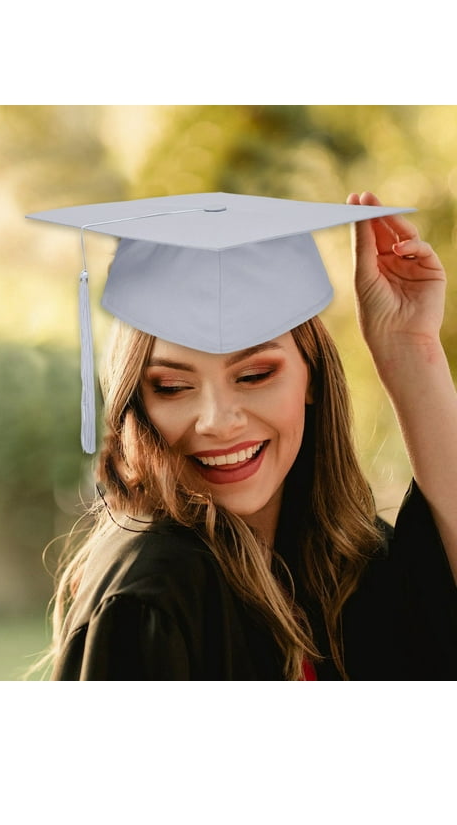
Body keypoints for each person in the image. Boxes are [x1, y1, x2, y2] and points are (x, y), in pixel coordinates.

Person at [30, 190, 457, 680]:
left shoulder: (335, 564)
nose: (217, 420)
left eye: (255, 375)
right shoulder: (157, 592)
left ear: (312, 377)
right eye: (172, 386)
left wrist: (410, 349)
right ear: (137, 401)